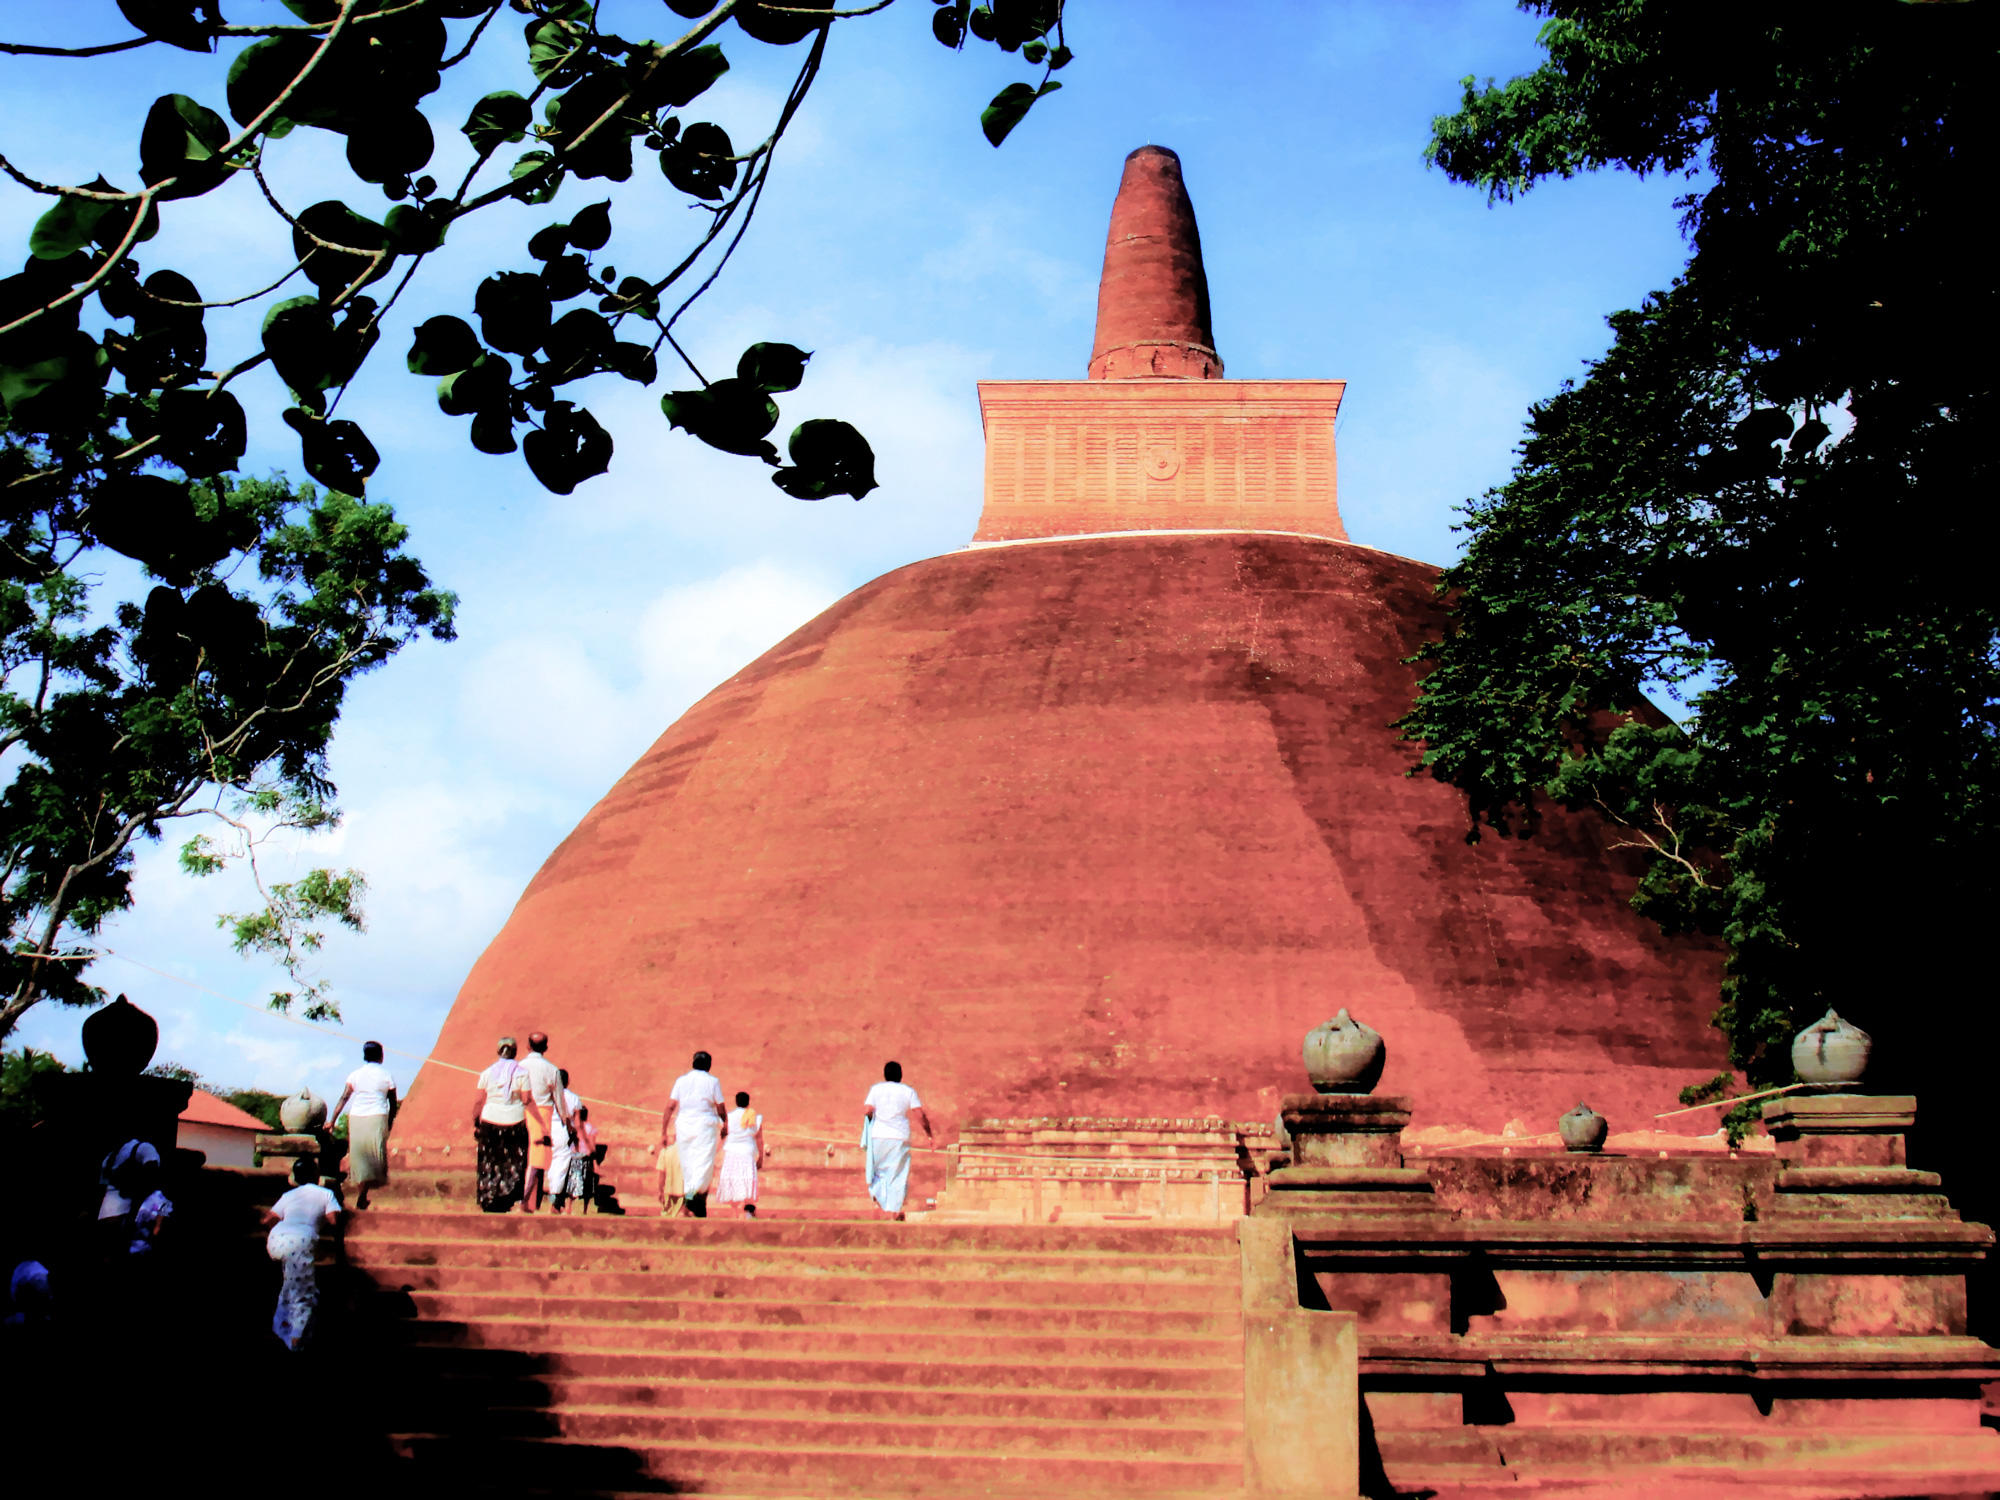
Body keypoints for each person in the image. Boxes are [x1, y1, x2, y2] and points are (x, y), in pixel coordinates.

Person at [260, 1156, 340, 1350]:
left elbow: (267, 1220)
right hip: (299, 1242)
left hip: (276, 1239)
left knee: (291, 1287)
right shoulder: (326, 1193)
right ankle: (295, 1343)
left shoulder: (289, 1195)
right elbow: (334, 1220)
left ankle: (281, 1332)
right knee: (304, 1296)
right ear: (316, 1175)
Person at [326, 1040, 398, 1209]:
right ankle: (363, 1194)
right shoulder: (386, 1075)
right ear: (381, 1056)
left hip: (357, 1117)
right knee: (375, 1155)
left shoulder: (355, 1075)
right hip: (377, 1116)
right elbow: (392, 1103)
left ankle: (362, 1193)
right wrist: (390, 1123)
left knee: (359, 1158)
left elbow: (344, 1097)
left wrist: (332, 1120)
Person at [661, 1051, 727, 1219]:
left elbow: (670, 1106)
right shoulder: (712, 1081)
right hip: (704, 1127)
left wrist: (663, 1131)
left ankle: (691, 1205)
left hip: (684, 1126)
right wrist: (725, 1123)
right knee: (703, 1166)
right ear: (709, 1065)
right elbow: (720, 1107)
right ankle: (691, 1203)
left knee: (688, 1165)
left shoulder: (681, 1081)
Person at [863, 1061, 932, 1220]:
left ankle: (878, 1200)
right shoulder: (907, 1091)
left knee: (878, 1173)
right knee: (897, 1175)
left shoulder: (876, 1089)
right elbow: (920, 1114)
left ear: (885, 1075)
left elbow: (867, 1110)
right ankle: (894, 1212)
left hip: (878, 1136)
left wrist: (871, 1122)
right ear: (900, 1075)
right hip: (899, 1138)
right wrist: (929, 1135)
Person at [472, 1036, 530, 1213]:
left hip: (490, 1120)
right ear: (515, 1052)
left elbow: (478, 1102)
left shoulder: (487, 1073)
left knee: (490, 1161)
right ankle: (507, 1196)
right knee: (512, 1162)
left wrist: (476, 1122)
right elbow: (527, 1099)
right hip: (515, 1121)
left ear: (498, 1051)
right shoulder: (522, 1073)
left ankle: (489, 1197)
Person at [518, 1032, 571, 1214]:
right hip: (542, 1115)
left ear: (528, 1046)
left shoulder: (520, 1067)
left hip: (520, 1112)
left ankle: (529, 1202)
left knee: (527, 1157)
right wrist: (565, 1121)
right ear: (546, 1048)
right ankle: (526, 1200)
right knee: (537, 1159)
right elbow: (559, 1099)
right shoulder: (551, 1070)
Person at [715, 1091, 764, 1218]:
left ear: (736, 1102)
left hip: (732, 1152)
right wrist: (761, 1157)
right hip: (746, 1153)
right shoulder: (754, 1117)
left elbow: (722, 1135)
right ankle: (742, 1210)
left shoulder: (729, 1117)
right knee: (744, 1179)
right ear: (748, 1102)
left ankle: (738, 1211)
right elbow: (759, 1139)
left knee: (734, 1179)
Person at [548, 1067, 583, 1214]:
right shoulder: (573, 1098)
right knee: (561, 1167)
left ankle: (553, 1199)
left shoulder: (549, 1096)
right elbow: (578, 1122)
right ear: (567, 1081)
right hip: (563, 1132)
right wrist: (577, 1137)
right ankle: (555, 1202)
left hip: (548, 1129)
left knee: (550, 1166)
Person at [567, 1105, 600, 1212]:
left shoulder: (574, 1127)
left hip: (574, 1156)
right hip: (586, 1157)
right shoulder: (590, 1128)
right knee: (587, 1183)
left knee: (573, 1181)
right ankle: (584, 1209)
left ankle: (569, 1206)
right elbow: (592, 1145)